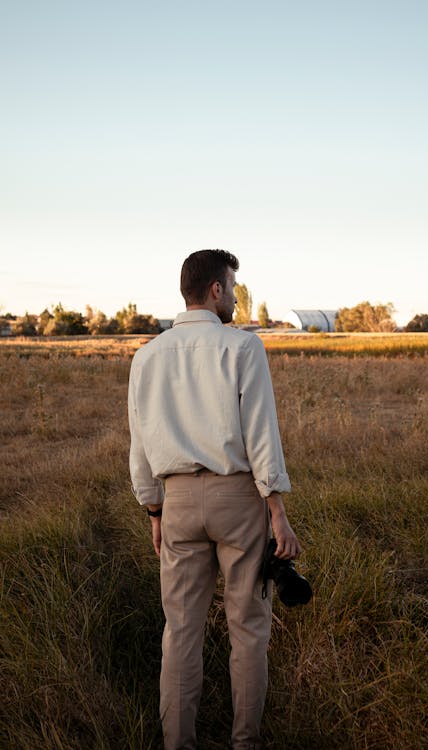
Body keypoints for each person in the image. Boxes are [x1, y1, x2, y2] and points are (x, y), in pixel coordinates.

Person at [128, 249, 301, 750]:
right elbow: (262, 435)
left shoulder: (146, 356)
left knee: (180, 630)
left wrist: (154, 511)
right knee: (247, 627)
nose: (234, 297)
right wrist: (278, 514)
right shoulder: (243, 348)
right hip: (237, 498)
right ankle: (244, 742)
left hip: (176, 502)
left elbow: (139, 444)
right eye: (232, 286)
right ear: (216, 290)